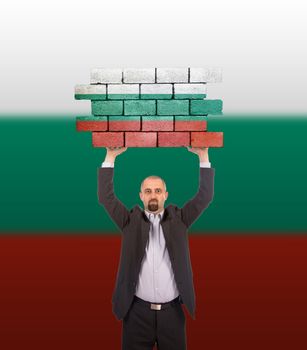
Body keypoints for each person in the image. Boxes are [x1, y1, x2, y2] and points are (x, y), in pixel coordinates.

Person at [98, 146, 215, 350]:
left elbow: (204, 197)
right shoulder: (129, 221)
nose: (153, 195)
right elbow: (105, 198)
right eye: (148, 191)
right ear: (141, 195)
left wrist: (203, 155)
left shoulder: (180, 219)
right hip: (136, 314)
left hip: (172, 315)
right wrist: (110, 155)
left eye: (158, 191)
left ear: (166, 195)